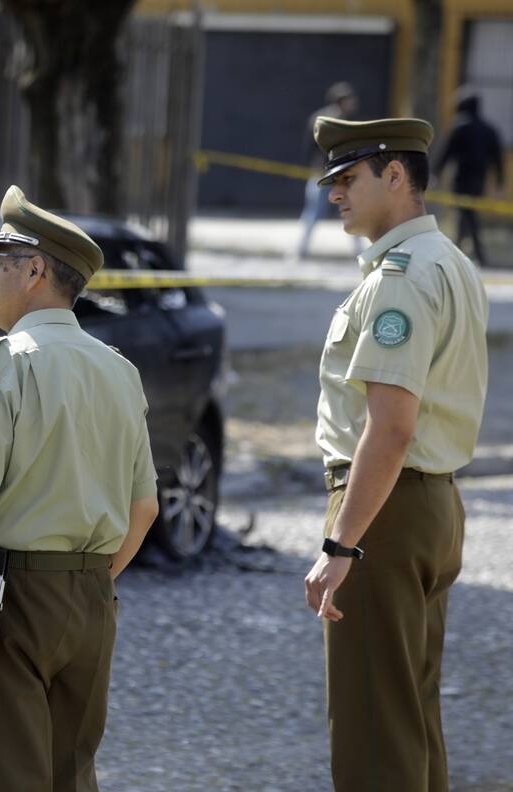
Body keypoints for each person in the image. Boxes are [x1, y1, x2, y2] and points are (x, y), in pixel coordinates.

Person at [0, 185, 160, 792]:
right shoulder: (118, 369)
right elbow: (145, 506)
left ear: (34, 271)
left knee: (7, 776)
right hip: (91, 595)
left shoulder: (6, 363)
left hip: (14, 595)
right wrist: (92, 578)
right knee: (71, 777)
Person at [303, 117, 488, 791]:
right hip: (430, 501)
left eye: (348, 180)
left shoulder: (400, 280)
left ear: (395, 176)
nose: (335, 196)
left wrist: (341, 545)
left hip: (386, 506)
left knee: (375, 730)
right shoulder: (450, 264)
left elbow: (390, 428)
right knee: (410, 717)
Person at [434, 89, 505, 265]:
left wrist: (435, 173)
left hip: (461, 177)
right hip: (479, 179)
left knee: (465, 213)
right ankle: (466, 252)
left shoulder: (459, 126)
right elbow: (497, 158)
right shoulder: (489, 130)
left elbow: (446, 153)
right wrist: (499, 181)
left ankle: (463, 252)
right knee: (468, 213)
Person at [297, 82, 362, 260]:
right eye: (349, 99)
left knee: (320, 211)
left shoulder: (318, 118)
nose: (353, 103)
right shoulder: (340, 121)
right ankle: (302, 248)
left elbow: (307, 148)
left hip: (323, 172)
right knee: (343, 209)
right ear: (342, 101)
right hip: (333, 173)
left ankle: (301, 249)